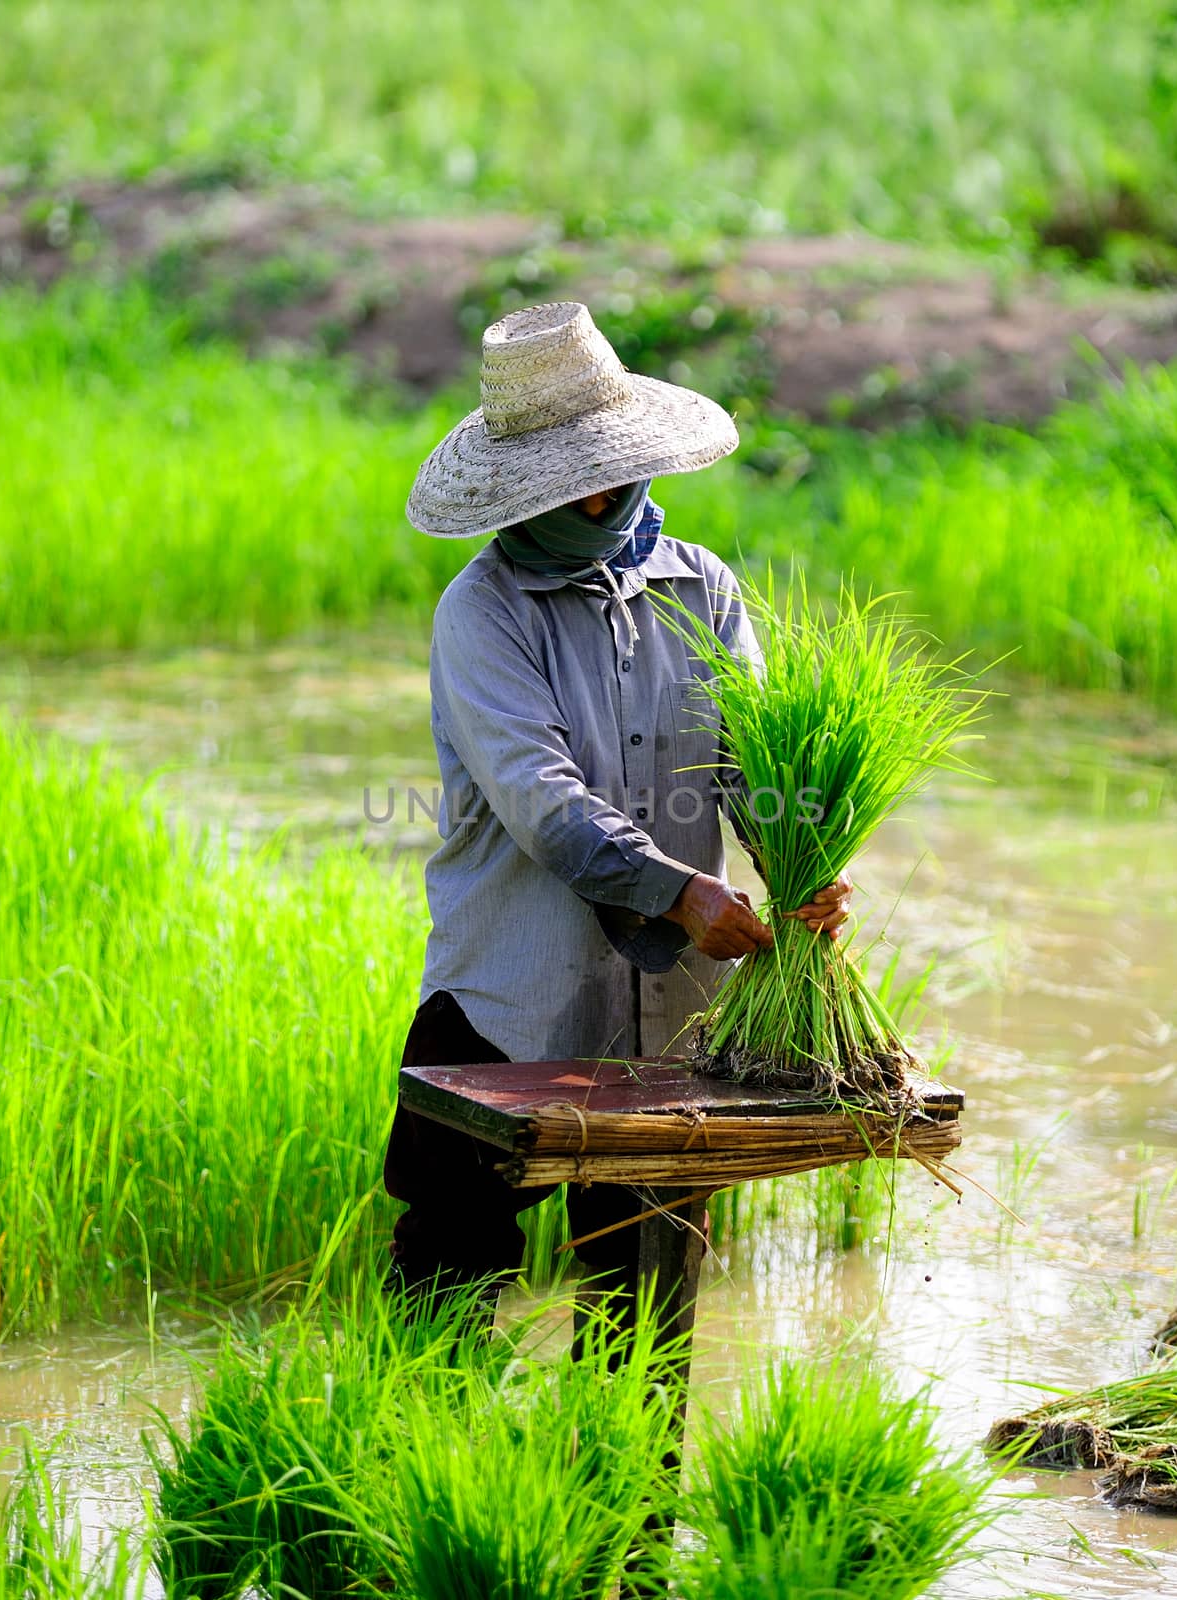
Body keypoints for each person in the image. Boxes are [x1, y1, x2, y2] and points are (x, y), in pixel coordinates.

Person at [384, 300, 850, 1316]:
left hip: (670, 1021)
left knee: (644, 1300)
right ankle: (407, 1471)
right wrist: (682, 892)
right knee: (449, 1278)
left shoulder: (704, 589)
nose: (598, 497)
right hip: (506, 1005)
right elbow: (545, 806)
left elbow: (751, 761)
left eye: (607, 472)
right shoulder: (484, 612)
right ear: (517, 495)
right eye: (567, 487)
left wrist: (801, 864)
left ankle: (627, 1479)